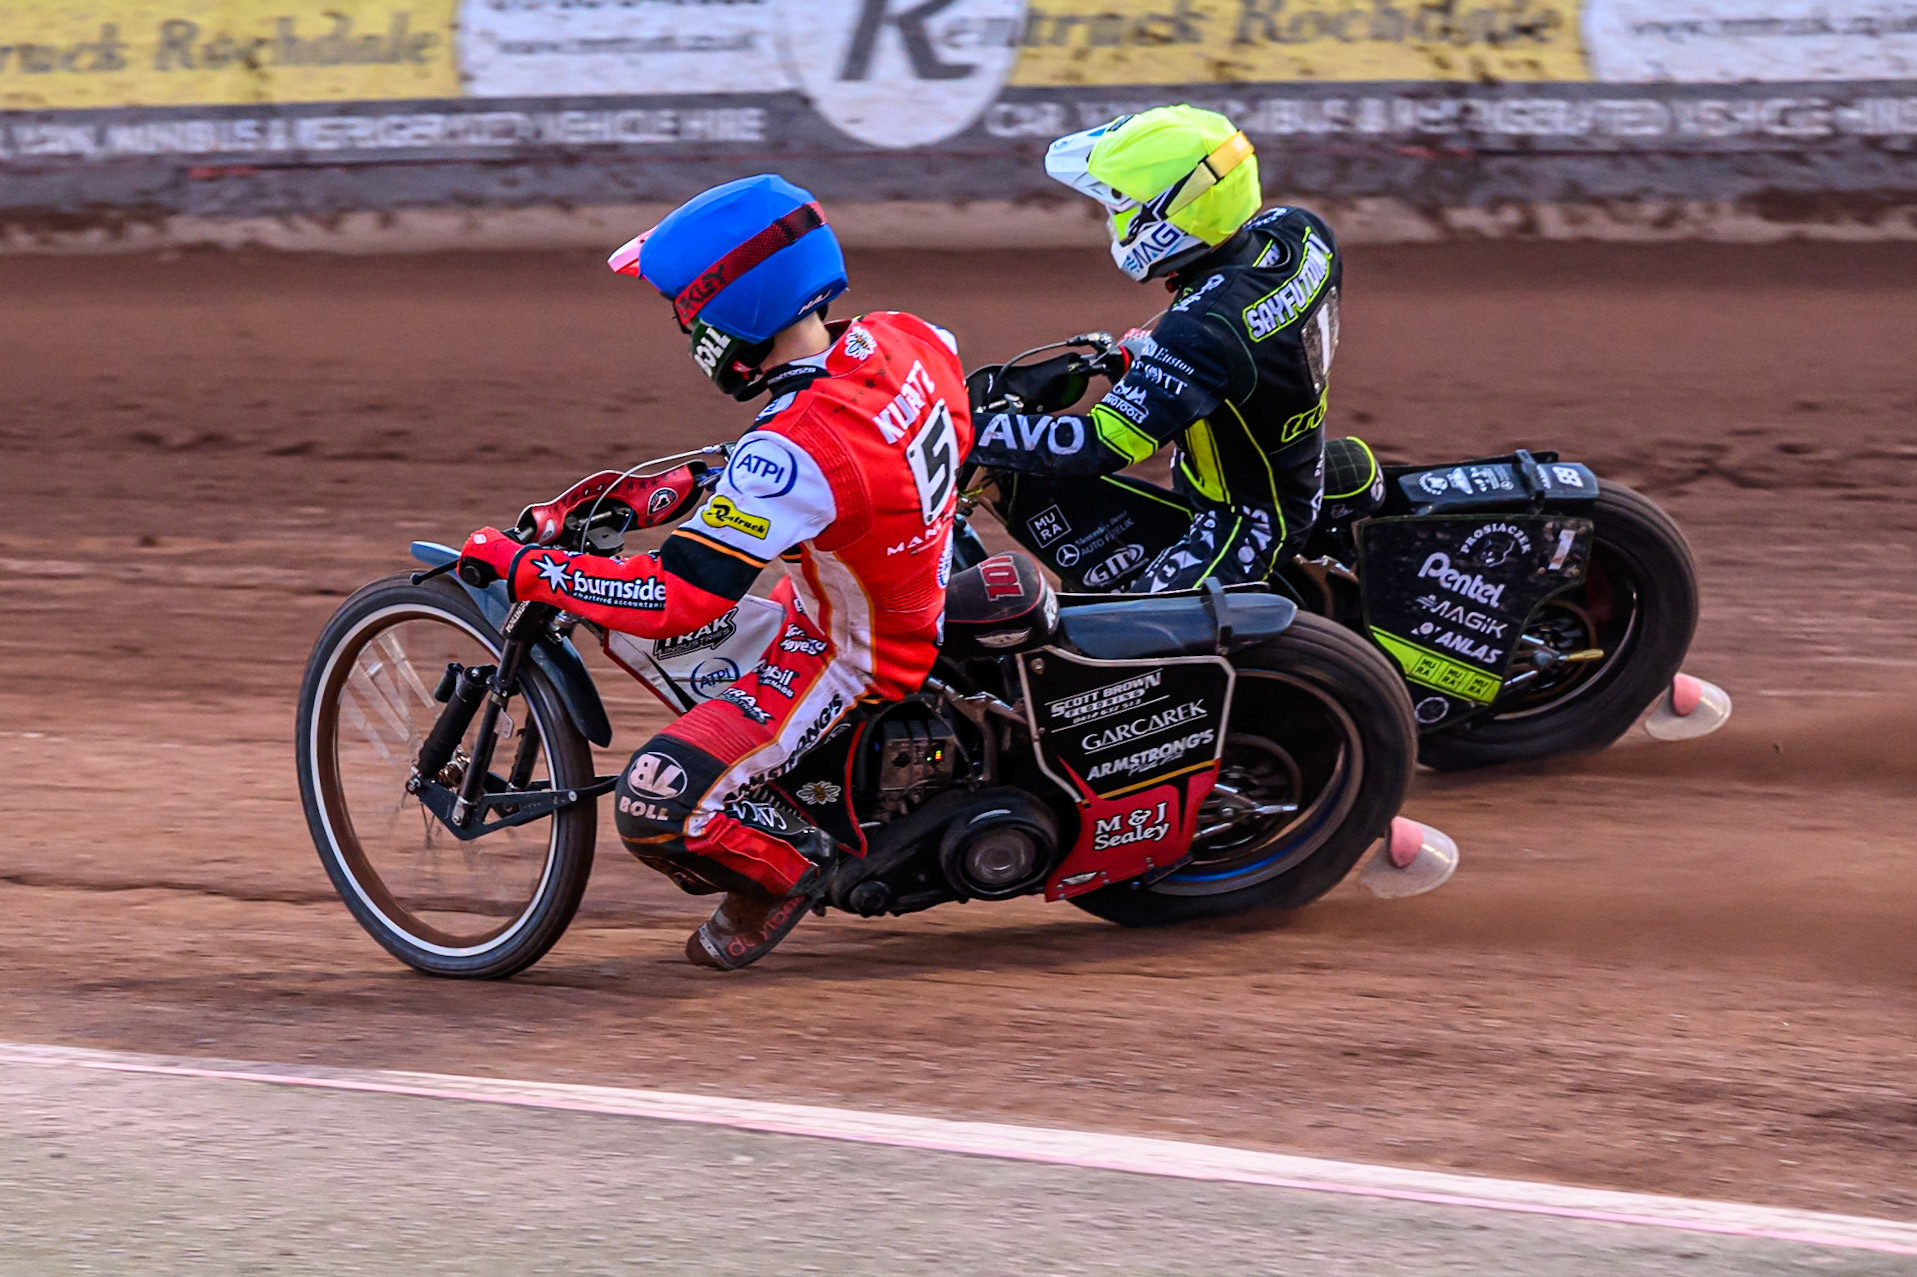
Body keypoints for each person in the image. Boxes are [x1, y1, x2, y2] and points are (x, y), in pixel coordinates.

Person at [457, 175, 972, 971]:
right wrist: (659, 493)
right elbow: (809, 462)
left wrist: (524, 567)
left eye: (683, 310)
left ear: (728, 312)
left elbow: (676, 597)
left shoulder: (792, 448)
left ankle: (788, 872)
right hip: (905, 576)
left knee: (653, 800)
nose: (681, 325)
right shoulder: (905, 336)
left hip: (851, 653)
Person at [967, 104, 1344, 594]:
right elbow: (1256, 350)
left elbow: (1101, 445)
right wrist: (1150, 363)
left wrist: (963, 430)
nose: (1114, 215)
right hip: (1284, 467)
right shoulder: (1301, 231)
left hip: (1240, 520)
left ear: (1170, 214)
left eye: (1121, 203)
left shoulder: (1202, 328)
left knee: (1122, 644)